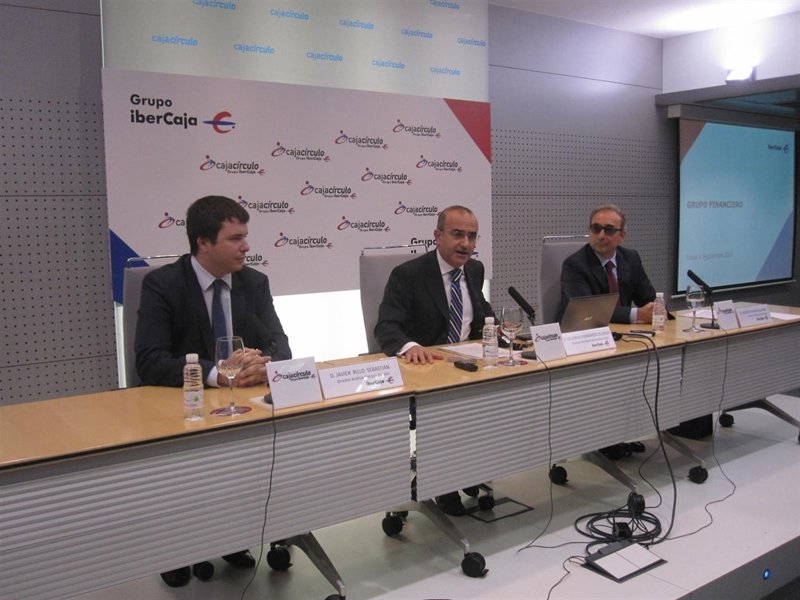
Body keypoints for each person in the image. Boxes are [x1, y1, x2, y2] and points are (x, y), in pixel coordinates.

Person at [135, 195, 291, 587]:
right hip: (182, 409)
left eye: (245, 236)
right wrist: (218, 375)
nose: (246, 246)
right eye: (235, 238)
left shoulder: (254, 283)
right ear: (203, 242)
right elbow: (150, 361)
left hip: (242, 407)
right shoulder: (163, 285)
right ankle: (178, 546)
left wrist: (262, 363)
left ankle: (233, 534)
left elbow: (281, 347)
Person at [375, 205, 494, 515]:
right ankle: (443, 482)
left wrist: (503, 332)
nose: (466, 244)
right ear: (438, 236)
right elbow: (386, 327)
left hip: (467, 368)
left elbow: (482, 314)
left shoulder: (474, 269)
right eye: (457, 235)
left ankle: (469, 467)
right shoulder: (409, 275)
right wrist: (411, 346)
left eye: (472, 236)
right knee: (451, 406)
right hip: (426, 373)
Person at [556, 204, 656, 325]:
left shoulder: (631, 258)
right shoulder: (574, 264)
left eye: (609, 230)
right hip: (582, 331)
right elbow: (588, 310)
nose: (601, 236)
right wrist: (637, 314)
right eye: (596, 229)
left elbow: (649, 298)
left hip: (623, 331)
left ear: (622, 235)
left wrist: (657, 309)